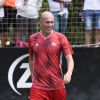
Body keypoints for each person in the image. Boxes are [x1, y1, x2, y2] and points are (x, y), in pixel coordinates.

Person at [28, 11, 74, 100]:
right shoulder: (32, 38)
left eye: (52, 22)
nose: (50, 25)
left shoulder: (61, 37)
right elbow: (31, 59)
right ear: (40, 22)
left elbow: (70, 59)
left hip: (57, 85)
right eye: (47, 22)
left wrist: (69, 73)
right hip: (38, 87)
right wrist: (32, 75)